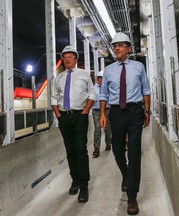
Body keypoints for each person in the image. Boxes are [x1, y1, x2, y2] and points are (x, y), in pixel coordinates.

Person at [99, 32, 151, 215]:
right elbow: (103, 94)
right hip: (116, 112)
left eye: (121, 45)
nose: (117, 48)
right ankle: (126, 174)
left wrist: (147, 111)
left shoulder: (138, 67)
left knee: (135, 151)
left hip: (135, 111)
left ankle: (132, 197)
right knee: (117, 149)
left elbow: (146, 89)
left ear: (128, 48)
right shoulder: (109, 70)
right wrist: (103, 114)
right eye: (115, 46)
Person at [51, 45, 96, 203]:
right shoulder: (59, 77)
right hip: (64, 117)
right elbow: (54, 97)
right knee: (70, 150)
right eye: (65, 57)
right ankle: (75, 180)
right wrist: (58, 115)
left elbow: (92, 93)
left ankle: (84, 186)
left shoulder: (84, 75)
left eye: (70, 56)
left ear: (76, 59)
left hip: (79, 116)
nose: (67, 59)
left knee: (80, 150)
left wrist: (85, 112)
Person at [92, 70, 112, 158]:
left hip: (107, 110)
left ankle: (108, 143)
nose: (101, 80)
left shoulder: (108, 88)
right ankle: (96, 148)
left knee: (107, 129)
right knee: (97, 129)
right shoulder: (93, 89)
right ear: (97, 79)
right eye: (100, 78)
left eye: (103, 79)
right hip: (96, 111)